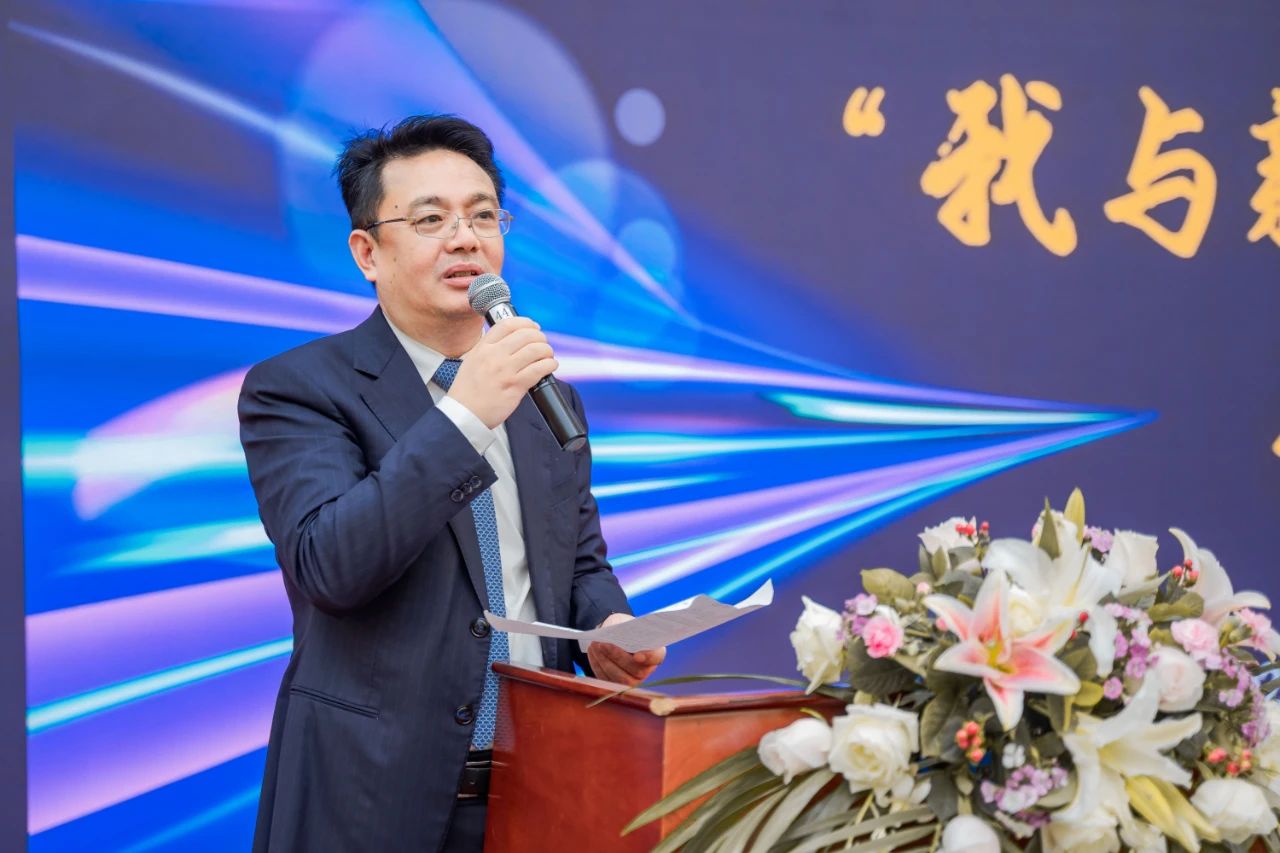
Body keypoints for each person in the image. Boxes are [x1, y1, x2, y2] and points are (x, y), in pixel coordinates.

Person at [238, 114, 664, 852]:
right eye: (430, 219)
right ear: (368, 252)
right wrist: (465, 415)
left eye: (483, 215)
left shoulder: (542, 395)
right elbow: (332, 565)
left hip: (540, 791)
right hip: (368, 799)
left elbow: (577, 564)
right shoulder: (299, 388)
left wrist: (608, 630)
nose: (465, 238)